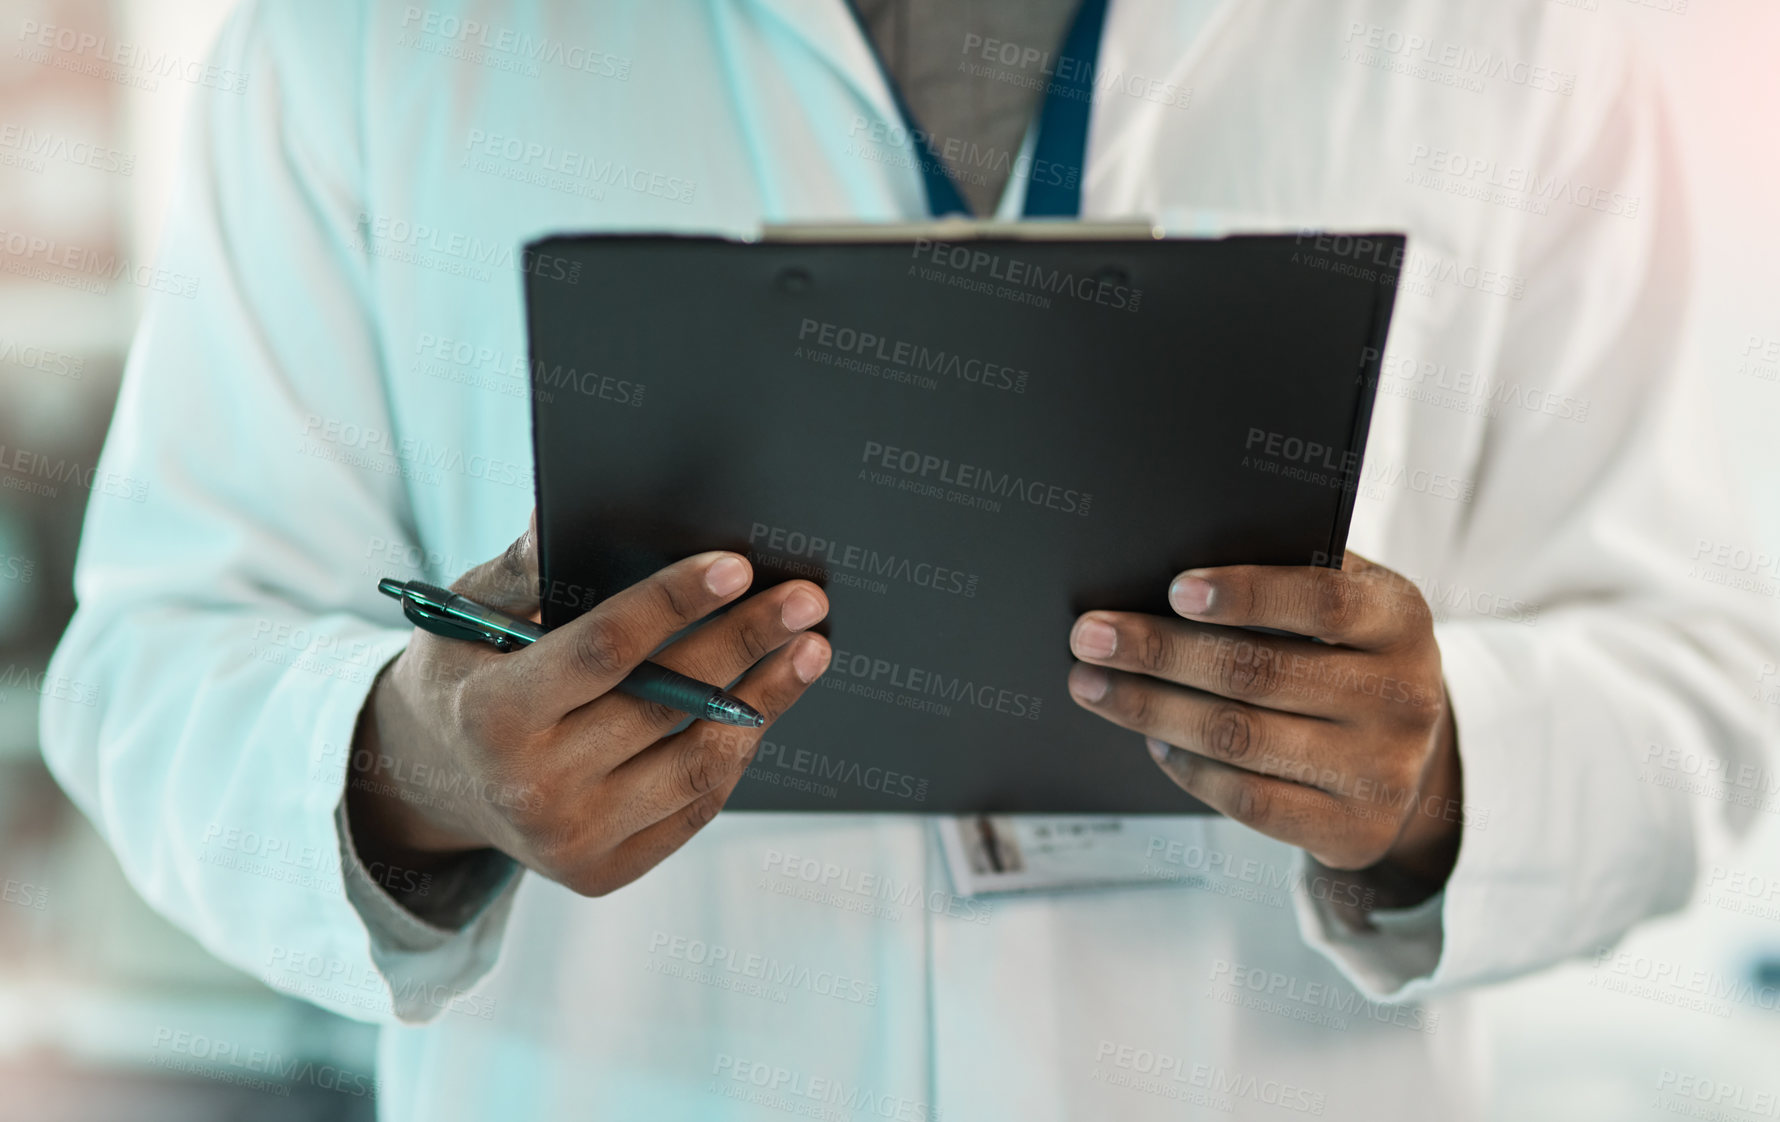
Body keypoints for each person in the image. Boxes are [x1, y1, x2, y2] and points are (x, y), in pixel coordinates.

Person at [41, 0, 1778, 1118]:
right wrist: (415, 763)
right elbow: (151, 660)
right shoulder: (364, 36)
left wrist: (1442, 767)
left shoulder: (1518, 39)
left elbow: (1704, 669)